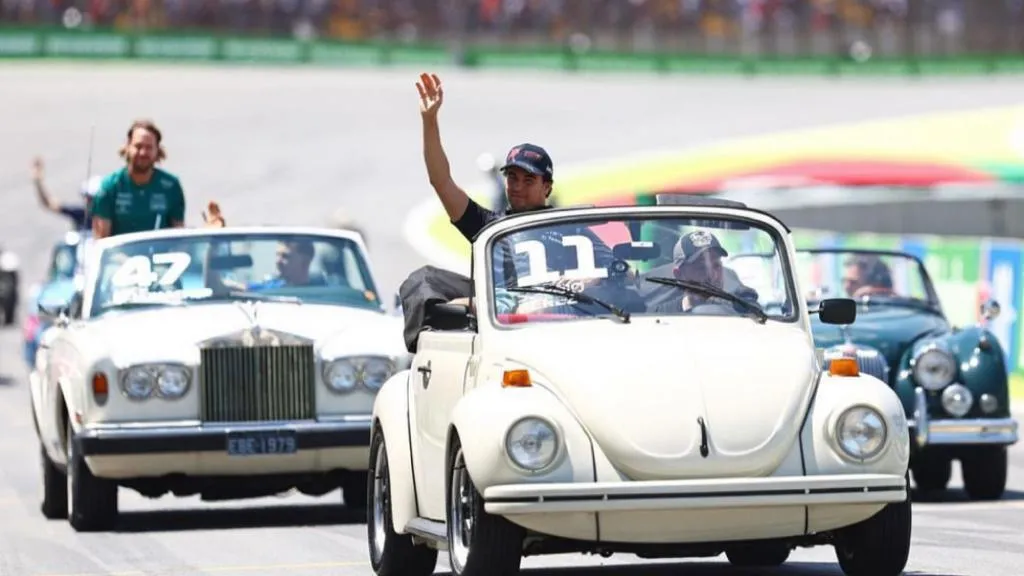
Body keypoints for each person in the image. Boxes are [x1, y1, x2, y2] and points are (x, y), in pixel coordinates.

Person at [415, 72, 614, 303]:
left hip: (561, 318)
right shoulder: (489, 226)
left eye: (528, 180)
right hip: (503, 321)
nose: (518, 186)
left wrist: (584, 281)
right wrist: (429, 120)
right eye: (512, 178)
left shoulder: (570, 228)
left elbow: (618, 272)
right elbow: (441, 182)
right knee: (424, 284)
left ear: (547, 187)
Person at [91, 119, 186, 239]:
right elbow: (101, 240)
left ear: (157, 150)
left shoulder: (171, 186)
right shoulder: (110, 187)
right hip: (121, 251)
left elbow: (178, 236)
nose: (143, 152)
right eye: (138, 146)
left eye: (149, 147)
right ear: (128, 147)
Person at [31, 156, 100, 231]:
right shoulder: (81, 212)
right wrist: (38, 183)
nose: (87, 201)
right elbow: (49, 203)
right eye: (86, 197)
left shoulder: (110, 215)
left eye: (91, 198)